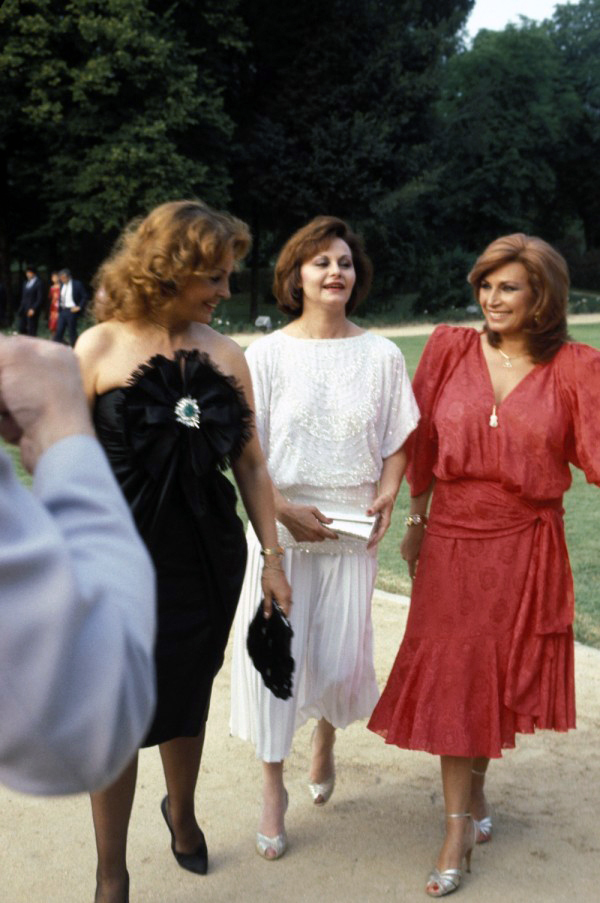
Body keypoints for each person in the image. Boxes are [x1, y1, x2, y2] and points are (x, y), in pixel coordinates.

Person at [368, 233, 600, 897]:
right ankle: (455, 825)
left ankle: (472, 794)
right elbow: (422, 442)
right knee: (457, 677)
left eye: (509, 287)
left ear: (542, 298)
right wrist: (416, 520)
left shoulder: (575, 368)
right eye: (486, 285)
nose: (491, 298)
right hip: (453, 541)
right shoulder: (448, 349)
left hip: (526, 545)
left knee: (491, 679)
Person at [75, 199, 291, 903]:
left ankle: (183, 812)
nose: (228, 292)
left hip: (204, 560)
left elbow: (252, 465)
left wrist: (273, 557)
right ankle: (112, 873)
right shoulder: (98, 347)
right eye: (216, 279)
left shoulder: (227, 355)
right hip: (110, 561)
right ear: (170, 270)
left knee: (185, 692)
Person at [230, 216, 419, 860]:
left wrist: (391, 488)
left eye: (344, 262)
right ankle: (272, 788)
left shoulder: (383, 355)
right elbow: (246, 455)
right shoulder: (266, 356)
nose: (336, 271)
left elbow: (399, 439)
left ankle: (326, 738)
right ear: (296, 277)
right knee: (272, 665)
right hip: (279, 532)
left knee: (338, 664)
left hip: (350, 534)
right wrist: (280, 510)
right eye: (321, 263)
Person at [0, 334, 156, 795]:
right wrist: (61, 426)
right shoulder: (99, 344)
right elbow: (77, 718)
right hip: (118, 551)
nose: (227, 291)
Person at [54, 267, 88, 345]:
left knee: (72, 332)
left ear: (69, 277)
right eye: (61, 278)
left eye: (64, 278)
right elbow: (60, 298)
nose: (62, 279)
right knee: (58, 332)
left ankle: (74, 349)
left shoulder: (77, 284)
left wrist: (79, 307)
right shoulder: (62, 285)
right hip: (63, 311)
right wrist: (59, 311)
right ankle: (58, 349)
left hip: (72, 311)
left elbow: (85, 296)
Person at [17, 265, 44, 336]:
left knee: (32, 329)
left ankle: (32, 344)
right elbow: (23, 297)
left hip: (32, 309)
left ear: (34, 273)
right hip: (24, 308)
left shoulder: (39, 283)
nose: (28, 274)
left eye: (29, 272)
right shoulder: (25, 283)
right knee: (21, 327)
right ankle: (24, 343)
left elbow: (40, 298)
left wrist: (33, 308)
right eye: (27, 272)